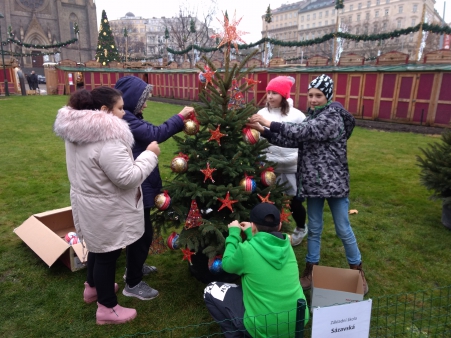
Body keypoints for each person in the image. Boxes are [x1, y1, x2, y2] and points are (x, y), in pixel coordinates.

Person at [248, 74, 368, 295]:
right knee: (314, 229)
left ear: (328, 96)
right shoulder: (313, 116)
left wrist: (269, 123)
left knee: (343, 228)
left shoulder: (332, 118)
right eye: (310, 95)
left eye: (318, 95)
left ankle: (357, 271)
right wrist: (263, 131)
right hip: (314, 184)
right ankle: (310, 270)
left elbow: (303, 132)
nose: (313, 99)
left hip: (334, 185)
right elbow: (292, 139)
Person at [53, 87, 161, 324]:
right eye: (120, 109)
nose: (124, 114)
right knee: (107, 255)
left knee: (97, 248)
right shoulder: (107, 139)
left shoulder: (77, 132)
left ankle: (92, 288)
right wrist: (149, 155)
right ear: (104, 110)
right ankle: (107, 308)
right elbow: (128, 178)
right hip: (106, 208)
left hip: (90, 203)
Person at [114, 76, 195, 300]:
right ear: (131, 99)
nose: (147, 105)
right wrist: (180, 118)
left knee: (141, 231)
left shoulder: (130, 115)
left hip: (142, 180)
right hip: (137, 182)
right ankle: (132, 283)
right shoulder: (126, 119)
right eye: (143, 100)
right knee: (141, 233)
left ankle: (135, 269)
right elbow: (154, 134)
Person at [204, 203, 309, 337]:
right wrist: (250, 233)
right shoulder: (286, 245)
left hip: (264, 327)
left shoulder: (246, 250)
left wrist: (234, 234)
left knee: (210, 290)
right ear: (280, 226)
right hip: (297, 320)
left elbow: (227, 264)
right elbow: (266, 244)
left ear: (253, 225)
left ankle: (237, 334)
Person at [258, 76, 308, 247]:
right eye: (269, 92)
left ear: (284, 95)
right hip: (268, 166)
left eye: (275, 93)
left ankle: (301, 228)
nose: (270, 97)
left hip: (291, 167)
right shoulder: (262, 114)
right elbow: (257, 138)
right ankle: (271, 231)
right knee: (268, 199)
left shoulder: (297, 116)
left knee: (294, 201)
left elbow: (304, 138)